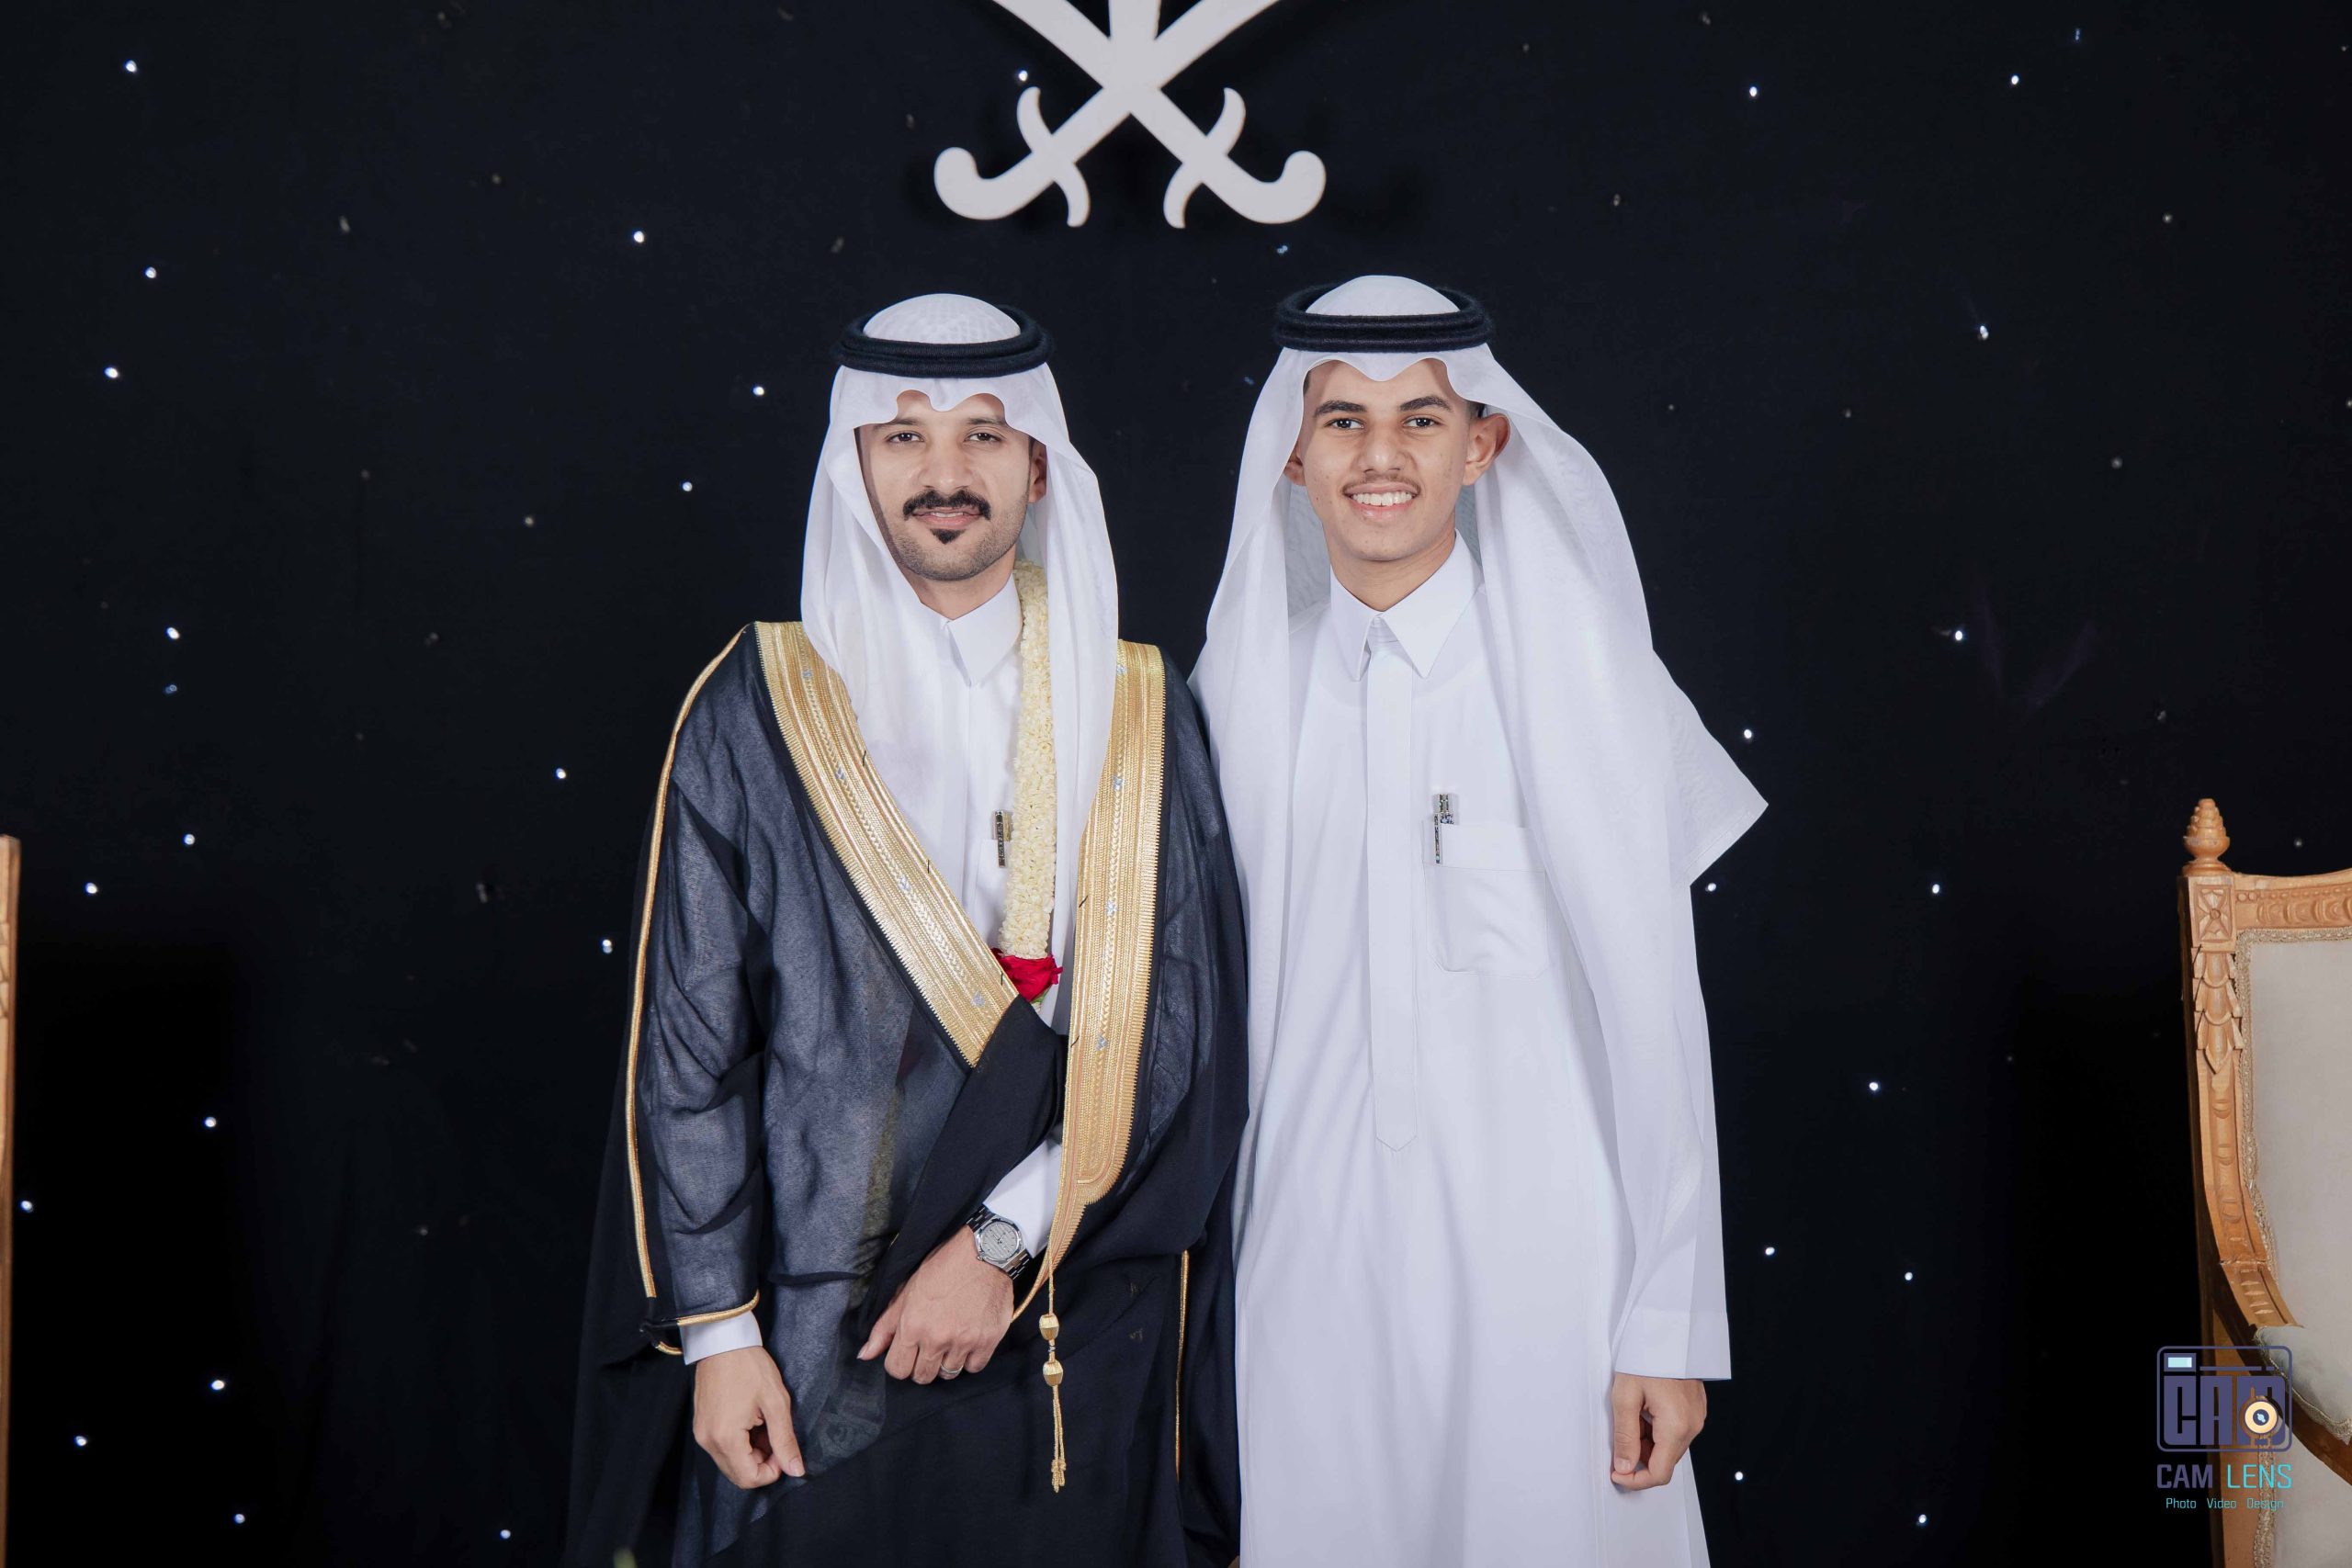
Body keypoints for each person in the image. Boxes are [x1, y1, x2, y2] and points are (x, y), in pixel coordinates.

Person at [566, 293, 1247, 1568]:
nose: (945, 474)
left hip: (1066, 1305)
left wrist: (1000, 1245)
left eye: (984, 434)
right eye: (904, 437)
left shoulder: (1141, 707)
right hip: (815, 1337)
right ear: (855, 466)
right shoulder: (756, 703)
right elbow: (689, 1050)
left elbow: (1182, 1033)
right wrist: (719, 1337)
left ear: (1037, 464)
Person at [1191, 275, 1767, 1565]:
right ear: (1291, 452)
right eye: (1342, 420)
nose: (1380, 457)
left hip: (1551, 1272)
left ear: (1484, 443)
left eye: (1422, 419)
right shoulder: (1238, 696)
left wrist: (1666, 1321)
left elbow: (1660, 1014)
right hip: (1309, 1270)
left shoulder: (1579, 677)